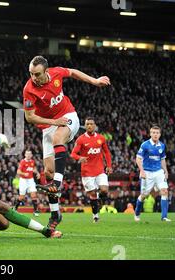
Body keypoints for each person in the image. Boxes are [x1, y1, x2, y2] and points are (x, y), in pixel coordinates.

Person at [23, 55, 111, 231]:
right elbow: (29, 117)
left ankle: (57, 183)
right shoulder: (29, 89)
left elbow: (73, 72)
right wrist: (53, 123)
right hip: (49, 125)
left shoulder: (56, 73)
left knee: (58, 140)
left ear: (46, 71)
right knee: (48, 172)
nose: (34, 78)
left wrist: (94, 81)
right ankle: (55, 214)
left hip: (68, 116)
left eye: (37, 74)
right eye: (31, 74)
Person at [70, 117, 112, 222]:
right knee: (92, 194)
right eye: (87, 124)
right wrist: (80, 158)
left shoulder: (101, 138)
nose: (89, 126)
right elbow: (73, 154)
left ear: (94, 125)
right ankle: (95, 215)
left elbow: (107, 152)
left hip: (100, 170)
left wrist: (109, 166)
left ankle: (99, 201)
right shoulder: (81, 139)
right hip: (87, 171)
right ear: (85, 126)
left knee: (104, 190)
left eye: (91, 124)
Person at [134, 125, 171, 222]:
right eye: (153, 133)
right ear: (150, 134)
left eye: (157, 133)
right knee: (144, 195)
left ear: (160, 134)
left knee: (165, 191)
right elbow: (138, 159)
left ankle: (164, 217)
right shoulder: (145, 145)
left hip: (159, 172)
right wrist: (141, 171)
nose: (155, 134)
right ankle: (137, 212)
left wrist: (166, 171)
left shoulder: (162, 145)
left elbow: (162, 160)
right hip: (146, 172)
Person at [14, 150, 41, 216]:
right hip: (23, 180)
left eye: (30, 154)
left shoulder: (32, 161)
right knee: (21, 197)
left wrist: (37, 173)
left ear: (31, 155)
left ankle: (36, 211)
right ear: (25, 155)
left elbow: (33, 169)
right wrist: (24, 173)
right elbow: (18, 171)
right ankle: (15, 208)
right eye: (27, 154)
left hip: (30, 180)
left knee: (33, 195)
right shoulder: (22, 162)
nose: (28, 155)